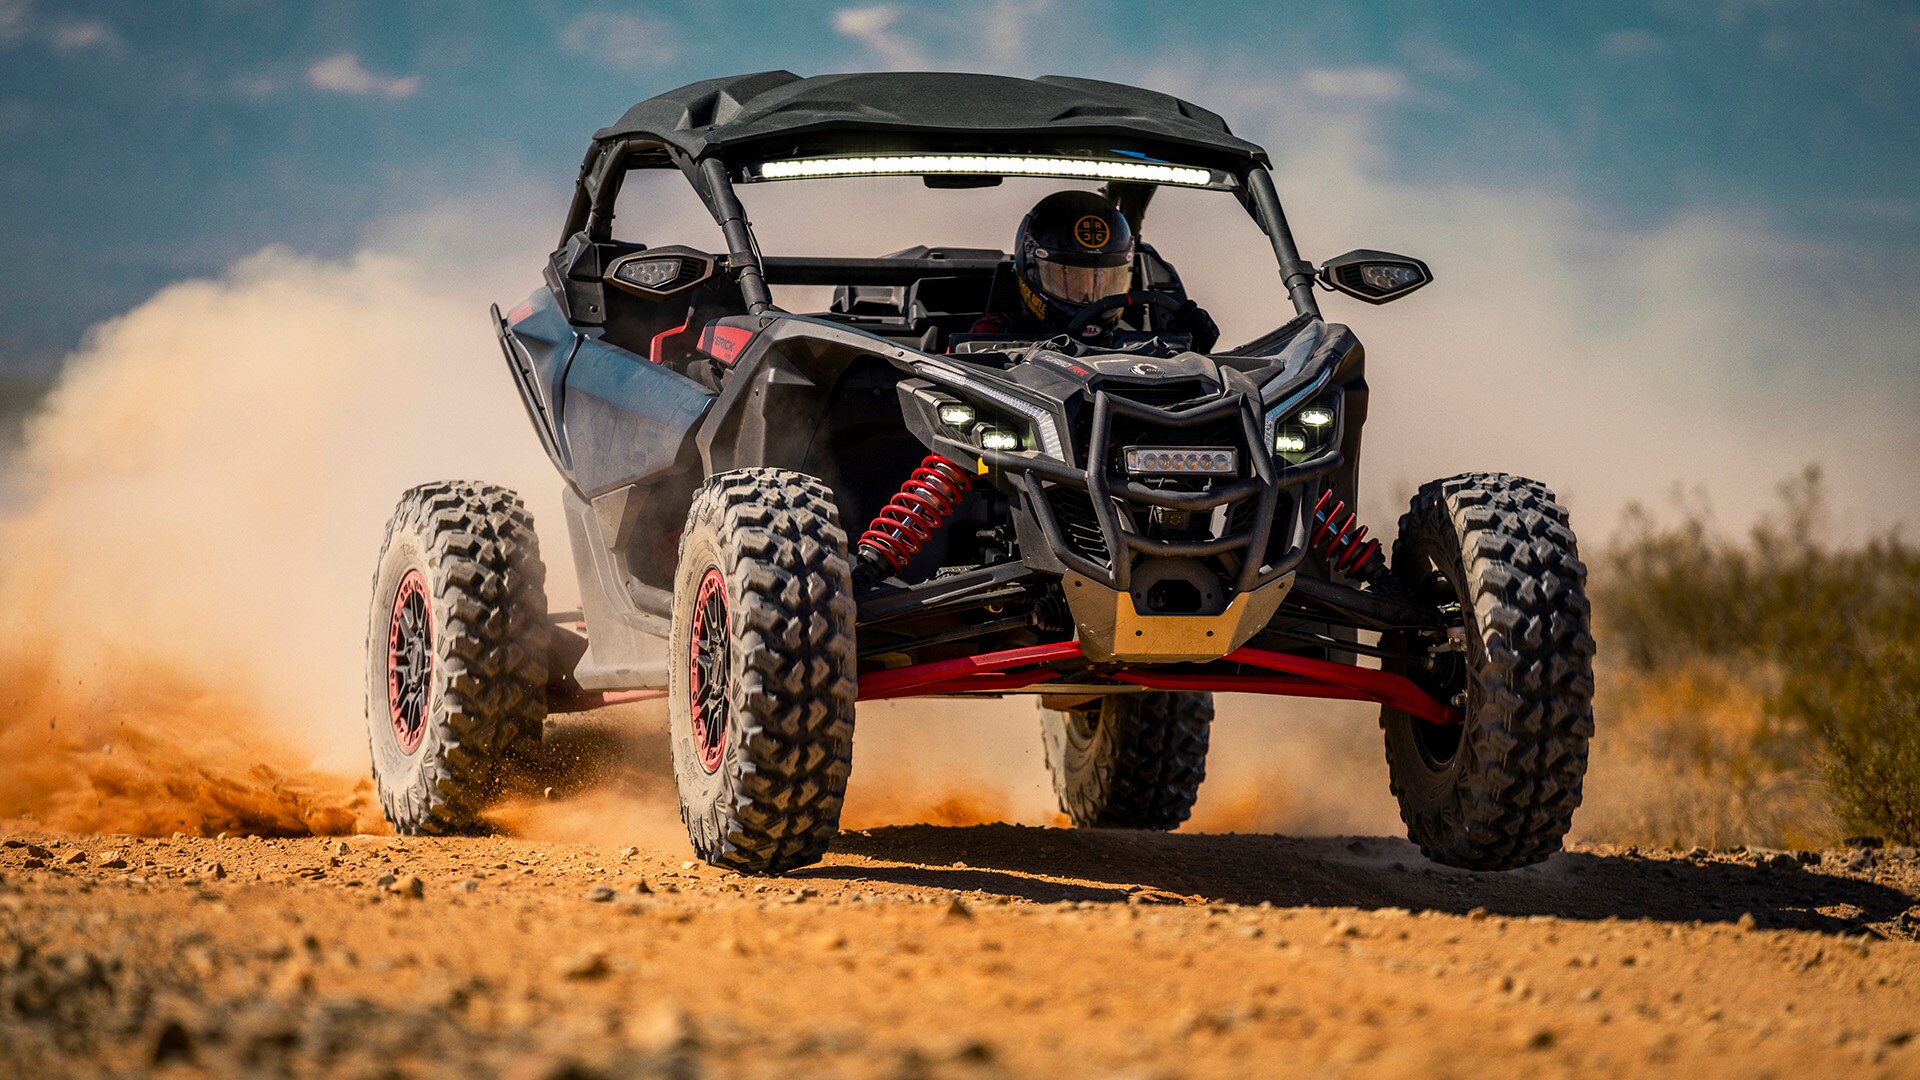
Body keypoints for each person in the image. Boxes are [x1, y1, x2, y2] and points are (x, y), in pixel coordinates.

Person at [969, 189, 1219, 351]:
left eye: (1104, 279)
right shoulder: (994, 333)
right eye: (1070, 276)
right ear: (1031, 270)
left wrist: (1192, 352)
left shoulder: (1137, 340)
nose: (1088, 293)